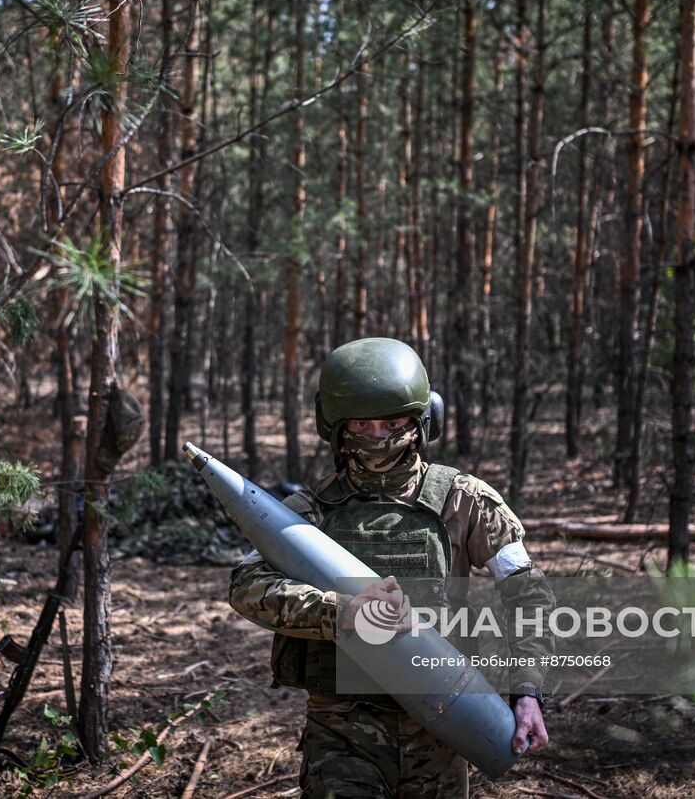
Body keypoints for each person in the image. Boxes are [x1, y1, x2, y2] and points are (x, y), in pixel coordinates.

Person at [229, 337, 555, 798]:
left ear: (423, 420)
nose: (378, 435)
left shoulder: (466, 501)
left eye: (392, 421)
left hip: (443, 724)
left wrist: (527, 690)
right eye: (362, 421)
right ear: (336, 425)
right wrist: (337, 611)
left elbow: (528, 594)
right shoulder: (311, 510)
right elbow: (246, 584)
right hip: (342, 731)